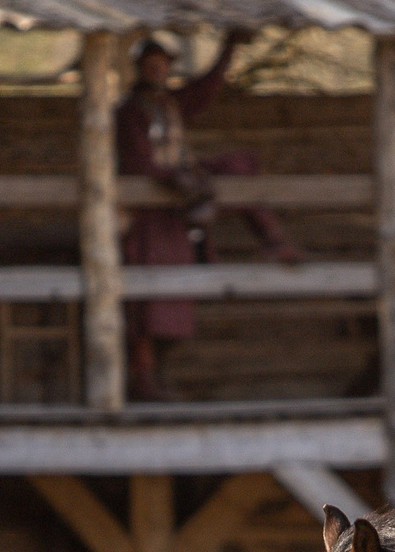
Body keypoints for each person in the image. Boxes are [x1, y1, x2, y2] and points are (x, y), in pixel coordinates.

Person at [116, 34, 305, 401]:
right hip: (145, 215)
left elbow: (205, 89)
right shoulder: (128, 112)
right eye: (150, 64)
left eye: (162, 63)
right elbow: (139, 163)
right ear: (139, 67)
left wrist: (228, 49)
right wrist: (177, 179)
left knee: (238, 167)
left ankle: (274, 240)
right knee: (145, 303)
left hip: (174, 208)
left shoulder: (169, 105)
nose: (157, 69)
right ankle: (142, 380)